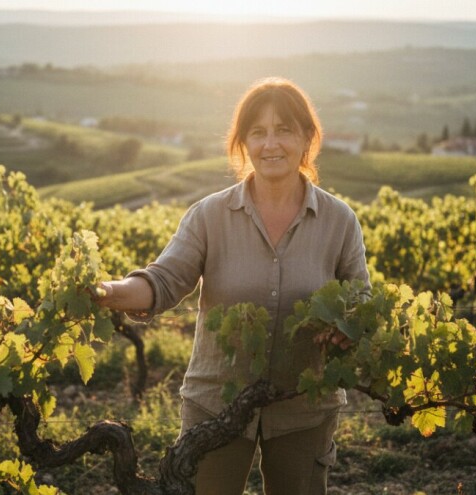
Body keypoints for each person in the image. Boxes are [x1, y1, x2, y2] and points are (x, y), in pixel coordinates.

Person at [96, 76, 370, 495]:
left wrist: (349, 331)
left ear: (307, 138)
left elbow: (360, 304)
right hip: (215, 406)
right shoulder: (209, 216)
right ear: (242, 143)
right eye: (257, 132)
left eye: (284, 130)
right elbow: (164, 280)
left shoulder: (339, 221)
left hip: (304, 408)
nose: (270, 143)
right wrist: (109, 293)